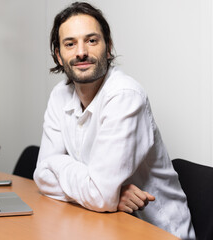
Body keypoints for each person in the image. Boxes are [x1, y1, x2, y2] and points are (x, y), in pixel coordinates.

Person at [33, 2, 195, 239]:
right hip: (97, 223)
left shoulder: (125, 95)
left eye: (91, 40)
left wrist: (57, 164)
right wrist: (108, 193)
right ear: (59, 56)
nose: (81, 52)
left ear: (108, 48)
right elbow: (42, 176)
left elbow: (98, 193)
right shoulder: (59, 95)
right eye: (70, 44)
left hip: (156, 231)